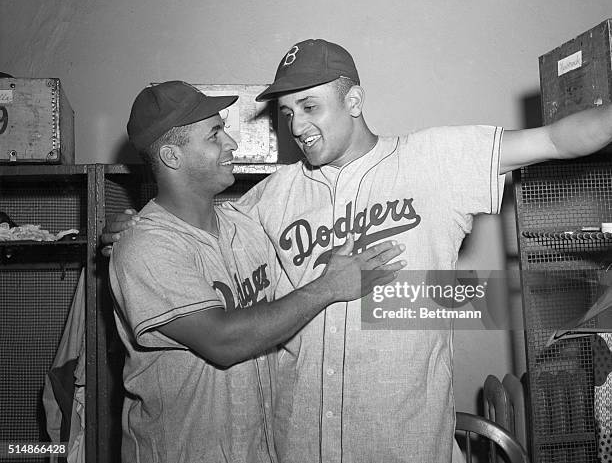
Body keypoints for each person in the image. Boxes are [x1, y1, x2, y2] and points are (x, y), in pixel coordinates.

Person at [104, 41, 612, 462]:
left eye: (309, 106)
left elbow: (560, 140)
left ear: (354, 101)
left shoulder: (432, 159)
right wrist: (129, 228)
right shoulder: (269, 199)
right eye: (286, 113)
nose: (296, 125)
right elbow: (185, 234)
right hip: (296, 447)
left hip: (404, 445)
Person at [108, 80, 405, 463]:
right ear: (171, 156)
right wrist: (328, 287)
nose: (231, 143)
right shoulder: (146, 246)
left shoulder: (242, 224)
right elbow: (223, 341)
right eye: (215, 134)